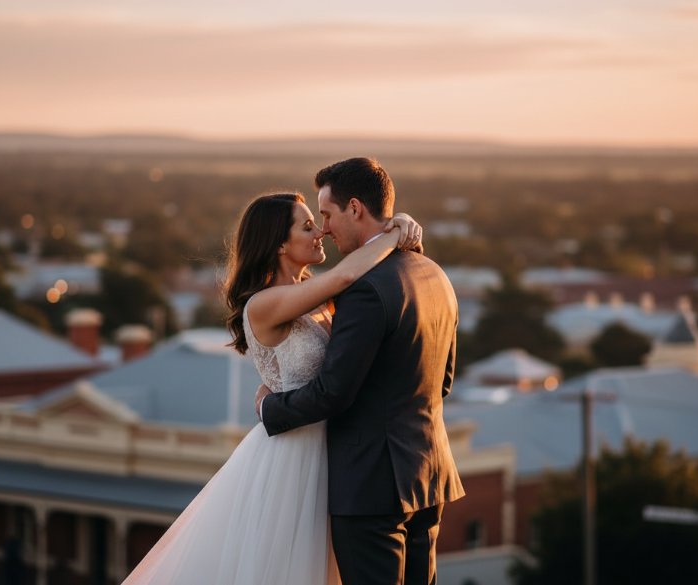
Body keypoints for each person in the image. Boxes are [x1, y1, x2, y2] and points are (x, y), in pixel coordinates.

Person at [120, 190, 422, 585]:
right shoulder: (263, 304)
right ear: (280, 243)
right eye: (308, 226)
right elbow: (348, 273)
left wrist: (399, 230)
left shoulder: (316, 297)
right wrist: (395, 231)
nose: (321, 233)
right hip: (293, 454)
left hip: (335, 451)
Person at [256, 157, 465, 585]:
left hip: (371, 485)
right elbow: (442, 381)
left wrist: (269, 409)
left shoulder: (365, 289)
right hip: (428, 473)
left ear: (355, 208)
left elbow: (334, 392)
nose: (325, 229)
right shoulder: (433, 273)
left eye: (328, 215)